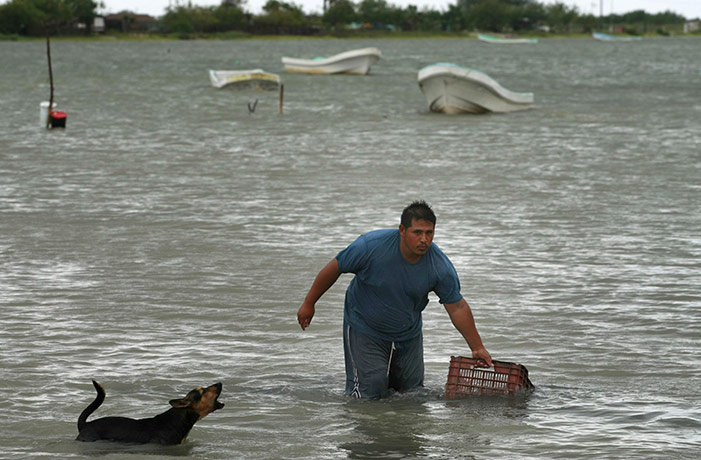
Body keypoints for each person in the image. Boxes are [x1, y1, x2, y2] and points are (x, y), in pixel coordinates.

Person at [297, 200, 492, 399]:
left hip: (407, 333)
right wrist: (309, 303)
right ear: (402, 230)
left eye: (429, 233)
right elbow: (335, 267)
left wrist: (477, 347)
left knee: (411, 394)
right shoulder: (370, 246)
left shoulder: (439, 267)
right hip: (364, 326)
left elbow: (457, 307)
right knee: (370, 391)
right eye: (417, 232)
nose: (424, 239)